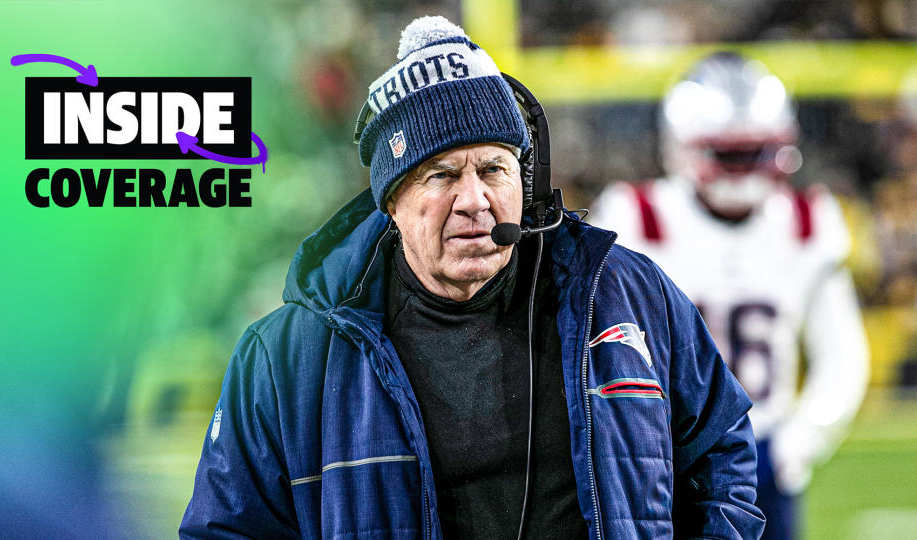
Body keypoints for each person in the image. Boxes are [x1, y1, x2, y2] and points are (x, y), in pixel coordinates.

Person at [181, 17, 764, 539]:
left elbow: (721, 451)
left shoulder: (624, 294)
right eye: (440, 175)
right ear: (391, 200)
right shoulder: (287, 357)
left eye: (494, 169)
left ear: (525, 180)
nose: (474, 201)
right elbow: (228, 530)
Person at [589, 52, 869, 539]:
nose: (746, 168)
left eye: (757, 151)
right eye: (730, 153)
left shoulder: (806, 223)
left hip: (763, 453)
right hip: (664, 453)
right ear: (683, 147)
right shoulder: (635, 217)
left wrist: (796, 444)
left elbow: (844, 357)